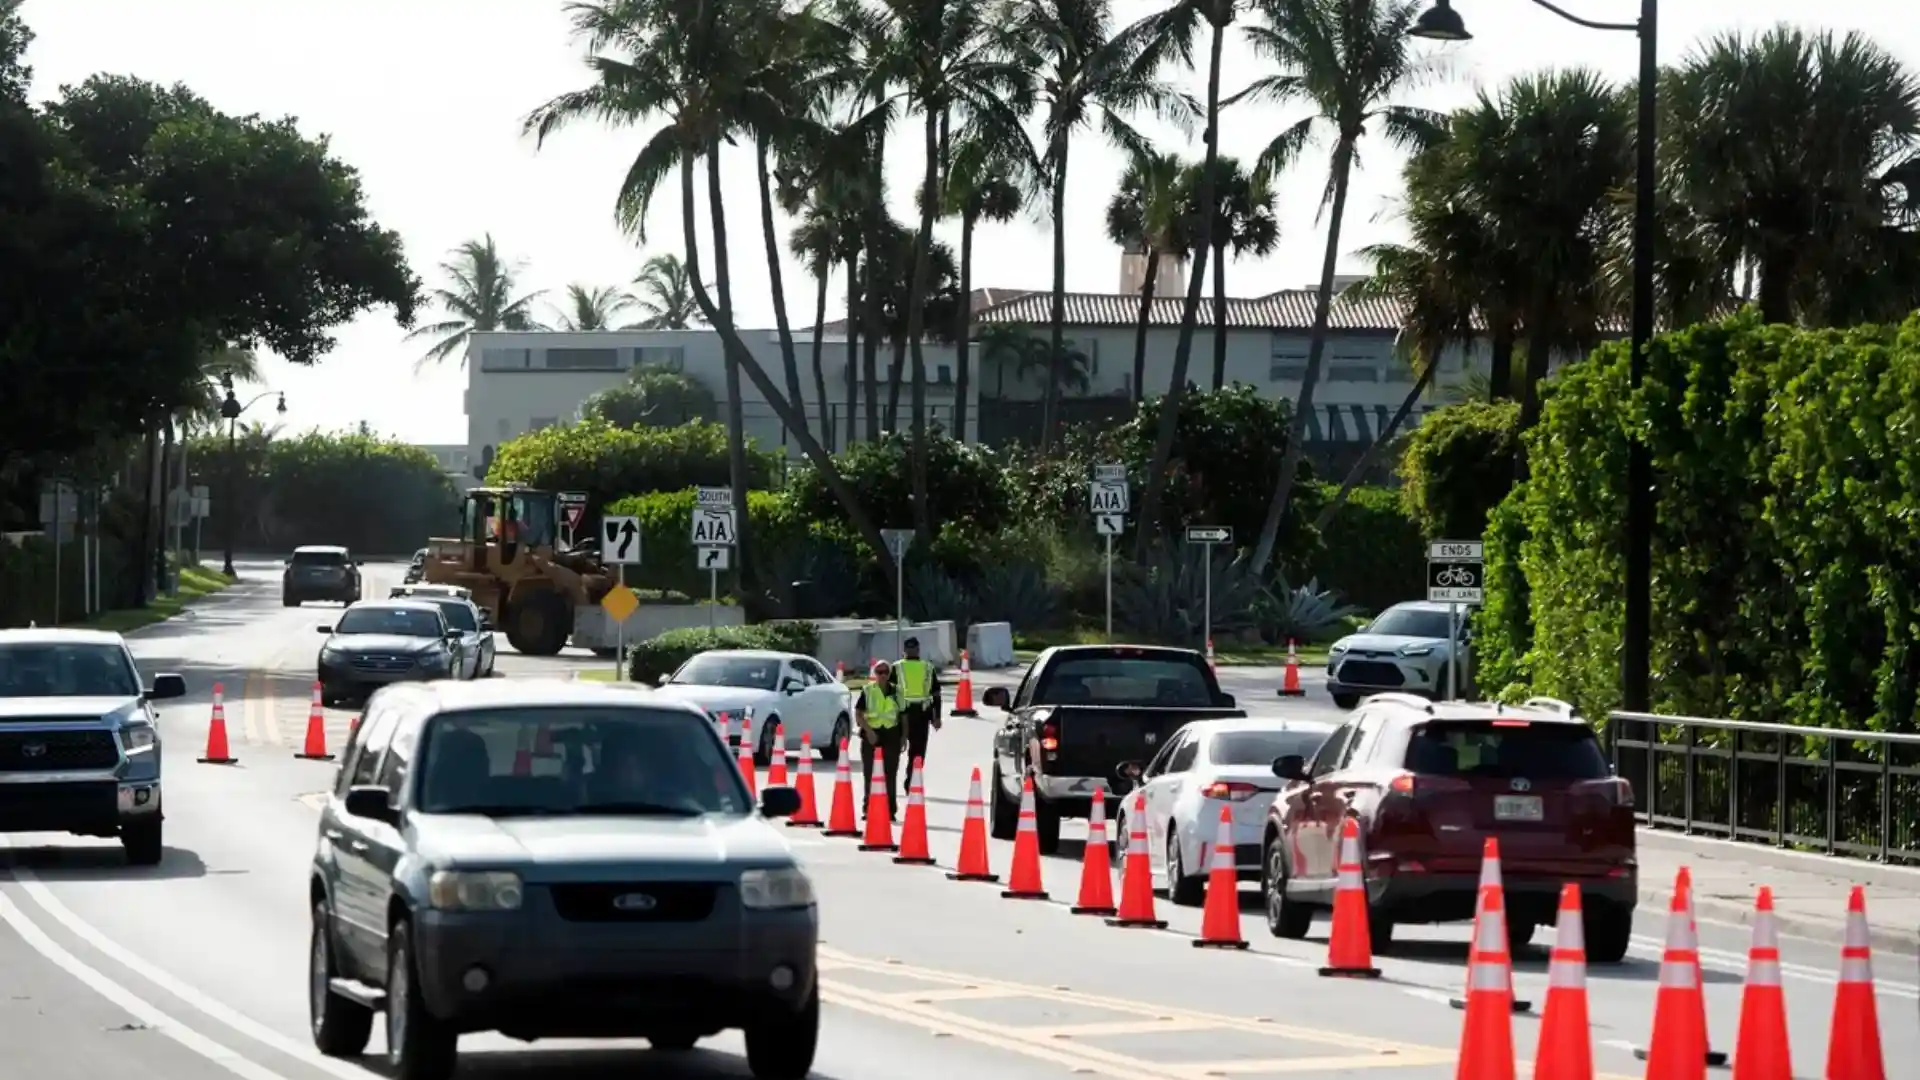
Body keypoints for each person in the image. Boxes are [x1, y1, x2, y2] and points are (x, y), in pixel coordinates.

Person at [855, 660, 906, 820]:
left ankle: (890, 810)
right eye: (879, 672)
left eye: (885, 672)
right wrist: (869, 731)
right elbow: (858, 714)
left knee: (890, 774)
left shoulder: (897, 692)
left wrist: (904, 737)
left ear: (889, 674)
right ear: (874, 674)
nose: (882, 675)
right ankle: (868, 809)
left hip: (891, 734)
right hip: (872, 735)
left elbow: (904, 716)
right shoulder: (868, 690)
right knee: (870, 773)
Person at [894, 636, 942, 770]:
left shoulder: (897, 667)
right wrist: (937, 716)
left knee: (896, 751)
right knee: (918, 753)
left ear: (904, 650)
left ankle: (903, 782)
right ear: (918, 650)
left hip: (902, 714)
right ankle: (912, 783)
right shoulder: (927, 667)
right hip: (920, 714)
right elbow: (936, 695)